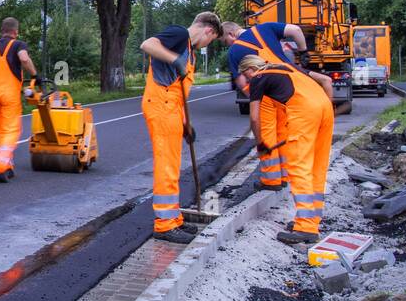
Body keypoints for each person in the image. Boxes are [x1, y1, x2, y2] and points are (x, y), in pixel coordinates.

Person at [138, 12, 222, 244]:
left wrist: (186, 123)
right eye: (211, 40)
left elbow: (180, 94)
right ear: (208, 31)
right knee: (166, 165)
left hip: (172, 109)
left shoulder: (190, 52)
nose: (208, 44)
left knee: (172, 166)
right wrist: (174, 60)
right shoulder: (179, 34)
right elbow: (148, 44)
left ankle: (173, 219)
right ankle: (164, 225)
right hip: (161, 106)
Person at [239, 55, 335, 244]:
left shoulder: (259, 77)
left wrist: (260, 143)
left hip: (304, 113)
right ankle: (312, 219)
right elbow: (326, 80)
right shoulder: (288, 67)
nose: (248, 80)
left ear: (250, 69)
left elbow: (254, 118)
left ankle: (306, 227)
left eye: (246, 76)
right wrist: (326, 112)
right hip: (325, 108)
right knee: (317, 167)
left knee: (299, 167)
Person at [220, 20, 309, 191]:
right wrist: (303, 52)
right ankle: (284, 175)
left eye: (225, 41)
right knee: (283, 132)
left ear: (231, 34)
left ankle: (271, 180)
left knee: (267, 134)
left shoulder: (234, 51)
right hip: (286, 89)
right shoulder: (266, 28)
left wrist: (254, 95)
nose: (228, 44)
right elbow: (296, 30)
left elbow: (240, 81)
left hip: (265, 94)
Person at [0, 17, 40, 182]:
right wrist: (35, 75)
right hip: (9, 94)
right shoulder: (18, 45)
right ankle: (1, 163)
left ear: (2, 31)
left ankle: (8, 165)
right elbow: (24, 59)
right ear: (15, 31)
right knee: (11, 129)